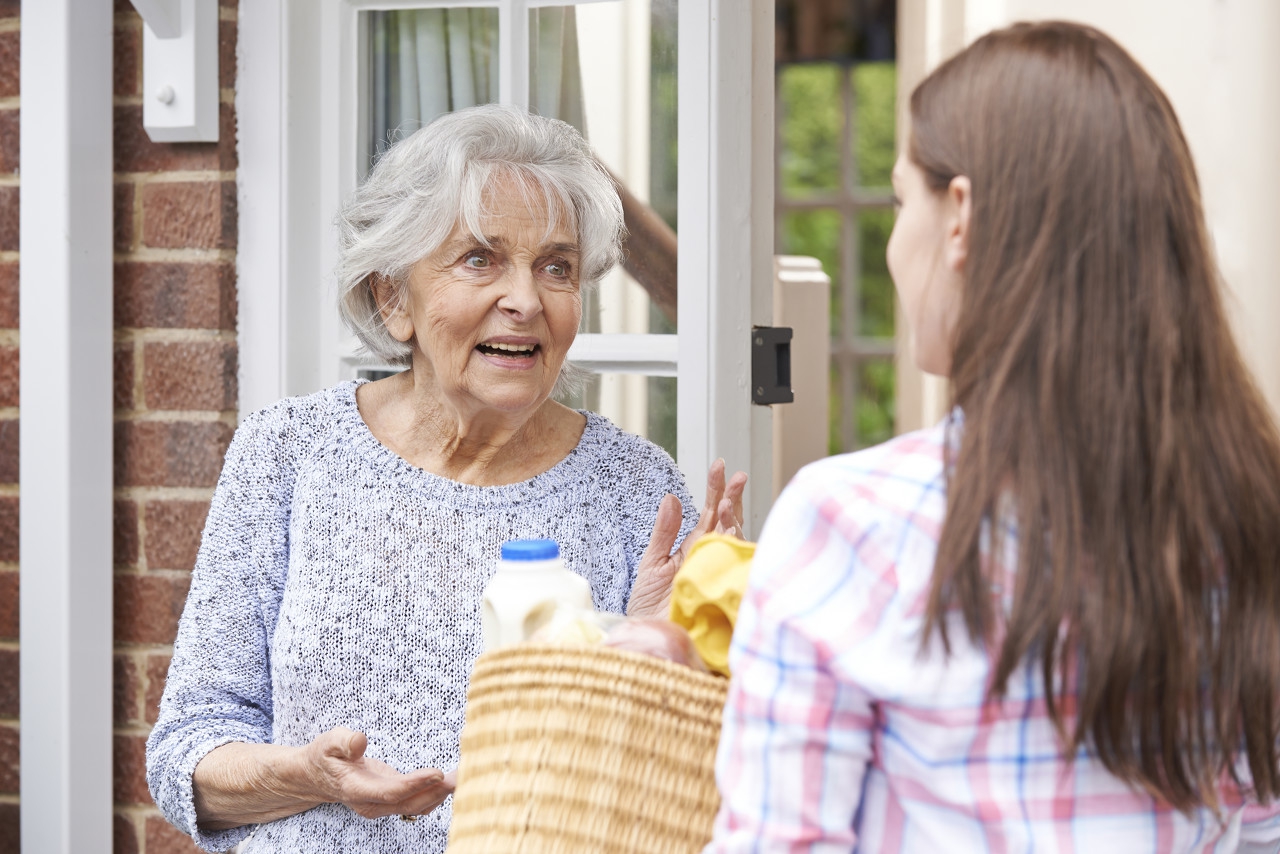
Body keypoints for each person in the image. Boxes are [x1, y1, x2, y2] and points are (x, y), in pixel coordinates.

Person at [707, 21, 1280, 852]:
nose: (898, 243)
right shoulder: (1245, 518)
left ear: (962, 216)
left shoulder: (854, 524)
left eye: (903, 200)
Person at [146, 103, 747, 853]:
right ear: (393, 298)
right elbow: (187, 757)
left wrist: (666, 650)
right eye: (480, 259)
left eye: (555, 267)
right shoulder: (289, 452)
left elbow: (689, 787)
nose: (526, 300)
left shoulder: (635, 487)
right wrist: (314, 776)